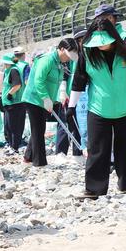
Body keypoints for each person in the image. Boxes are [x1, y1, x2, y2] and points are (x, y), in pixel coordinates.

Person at [67, 17, 126, 198]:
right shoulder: (87, 55)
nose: (100, 46)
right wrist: (71, 107)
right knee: (97, 150)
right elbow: (78, 82)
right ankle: (94, 189)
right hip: (98, 110)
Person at [21, 38, 79, 167]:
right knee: (38, 130)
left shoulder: (59, 62)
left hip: (46, 101)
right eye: (68, 55)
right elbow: (38, 80)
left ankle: (28, 157)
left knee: (39, 129)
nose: (69, 59)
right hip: (34, 99)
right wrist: (46, 98)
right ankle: (39, 162)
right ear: (62, 49)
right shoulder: (47, 59)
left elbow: (55, 83)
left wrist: (58, 97)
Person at [55, 28, 86, 157]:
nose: (82, 42)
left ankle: (78, 152)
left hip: (85, 95)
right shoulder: (71, 55)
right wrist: (63, 91)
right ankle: (60, 152)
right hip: (69, 94)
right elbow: (64, 75)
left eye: (84, 39)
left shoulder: (89, 54)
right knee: (65, 123)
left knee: (80, 123)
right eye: (79, 40)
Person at [1, 53, 26, 155]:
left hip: (15, 103)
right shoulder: (10, 70)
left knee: (14, 127)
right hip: (11, 104)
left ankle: (14, 147)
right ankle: (12, 146)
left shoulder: (13, 70)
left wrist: (9, 94)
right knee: (9, 126)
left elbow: (17, 85)